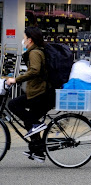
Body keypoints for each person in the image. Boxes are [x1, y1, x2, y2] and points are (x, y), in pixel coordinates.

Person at [6, 26, 55, 162]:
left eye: (24, 38)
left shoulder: (35, 53)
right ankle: (38, 150)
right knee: (30, 121)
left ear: (30, 40)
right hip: (40, 93)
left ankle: (36, 126)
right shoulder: (36, 51)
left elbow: (34, 71)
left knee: (13, 104)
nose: (23, 40)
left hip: (41, 94)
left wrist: (16, 79)